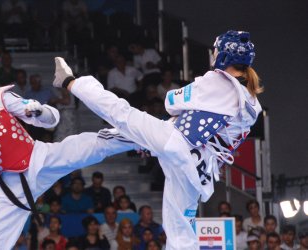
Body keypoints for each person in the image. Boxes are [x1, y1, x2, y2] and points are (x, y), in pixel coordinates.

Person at [53, 30, 263, 249]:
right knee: (180, 231)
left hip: (175, 141)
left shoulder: (217, 81)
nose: (214, 53)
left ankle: (69, 81)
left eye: (216, 50)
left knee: (121, 114)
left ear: (224, 56)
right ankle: (136, 141)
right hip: (197, 169)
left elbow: (171, 102)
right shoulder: (251, 103)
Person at [0, 46, 137, 249]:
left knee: (87, 147)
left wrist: (39, 111)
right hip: (12, 186)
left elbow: (52, 120)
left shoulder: (1, 97)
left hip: (38, 157)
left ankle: (138, 136)